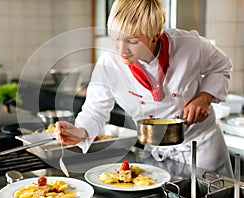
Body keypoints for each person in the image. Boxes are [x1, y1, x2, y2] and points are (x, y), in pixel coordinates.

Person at [54, 0, 233, 177]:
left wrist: (205, 97)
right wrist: (80, 131)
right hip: (156, 153)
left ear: (155, 35)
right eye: (116, 38)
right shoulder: (109, 63)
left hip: (200, 148)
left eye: (132, 41)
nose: (121, 50)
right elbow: (95, 110)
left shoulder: (190, 45)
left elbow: (222, 66)